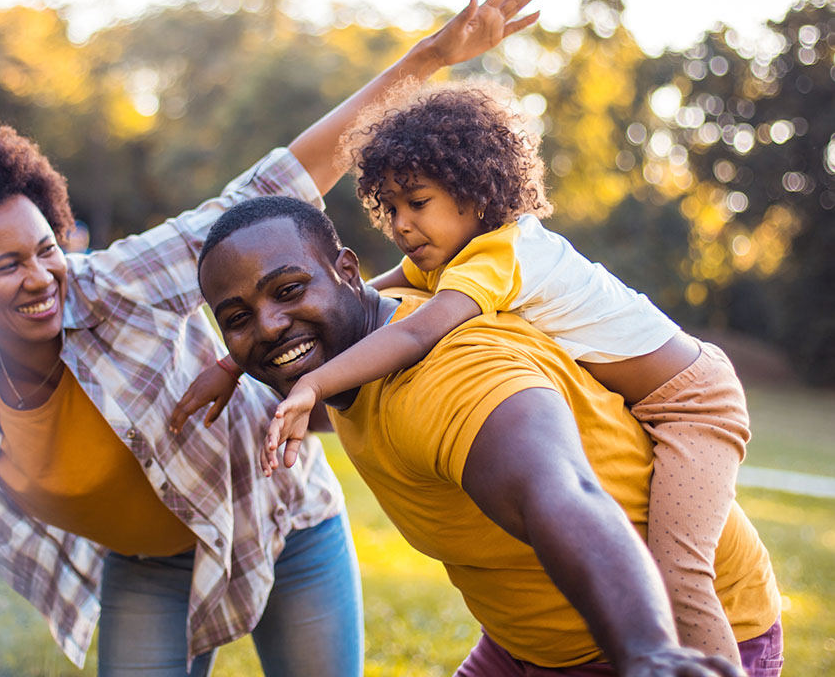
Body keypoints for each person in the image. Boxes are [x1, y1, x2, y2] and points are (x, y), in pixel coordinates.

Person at [0, 0, 544, 676]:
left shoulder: (112, 284)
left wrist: (434, 56)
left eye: (47, 248)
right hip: (152, 565)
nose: (43, 277)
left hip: (282, 520)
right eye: (6, 265)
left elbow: (282, 178)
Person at [256, 80, 752, 662]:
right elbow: (343, 294)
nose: (402, 226)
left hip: (693, 404)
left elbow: (415, 332)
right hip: (644, 402)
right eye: (388, 208)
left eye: (418, 202)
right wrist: (231, 360)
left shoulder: (501, 254)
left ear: (477, 191)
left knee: (681, 577)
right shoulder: (448, 257)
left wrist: (313, 383)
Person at [195, 195, 782, 677]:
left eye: (290, 290)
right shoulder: (356, 344)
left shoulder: (448, 374)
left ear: (347, 272)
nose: (269, 325)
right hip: (524, 645)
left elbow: (557, 492)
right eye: (238, 319)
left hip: (643, 643)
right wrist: (228, 370)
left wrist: (648, 650)